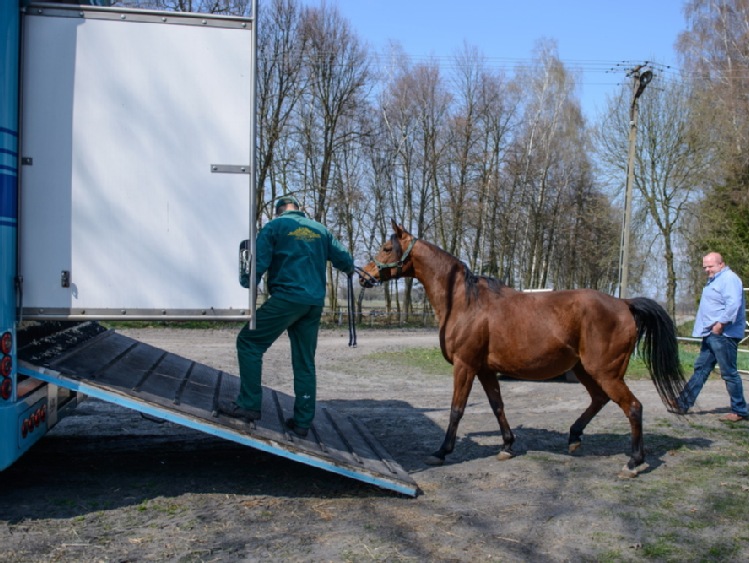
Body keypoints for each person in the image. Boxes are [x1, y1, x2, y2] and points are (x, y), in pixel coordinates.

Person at [220, 195, 354, 437]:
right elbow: (346, 260)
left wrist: (245, 281)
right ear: (299, 211)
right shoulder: (321, 230)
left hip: (287, 299)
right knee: (304, 361)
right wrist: (345, 267)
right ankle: (302, 421)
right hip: (313, 304)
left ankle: (249, 405)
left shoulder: (274, 227)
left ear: (279, 211)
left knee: (249, 342)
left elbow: (257, 265)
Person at [673, 252, 748, 421]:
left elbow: (733, 304)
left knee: (729, 372)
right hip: (713, 333)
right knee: (702, 368)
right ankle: (683, 402)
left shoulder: (729, 279)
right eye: (705, 267)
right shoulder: (716, 279)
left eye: (710, 266)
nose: (707, 270)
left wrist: (721, 324)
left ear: (721, 264)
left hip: (724, 334)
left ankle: (740, 410)